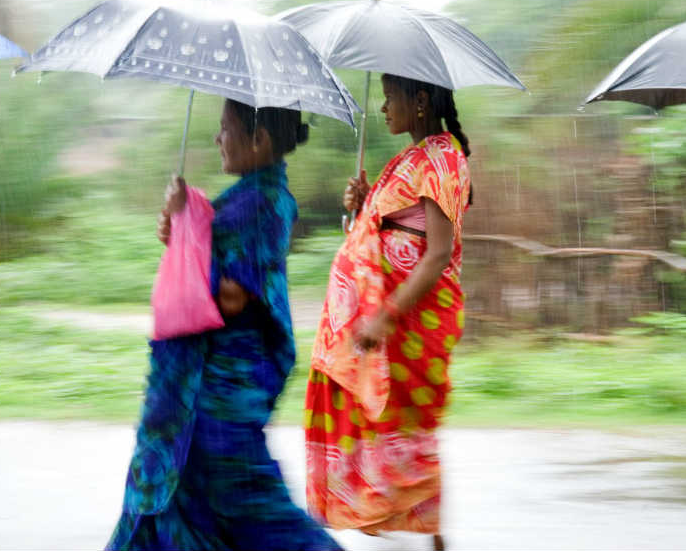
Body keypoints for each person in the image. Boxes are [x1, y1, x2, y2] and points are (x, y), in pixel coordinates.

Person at [106, 99, 341, 551]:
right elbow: (205, 257)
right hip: (203, 388)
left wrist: (187, 236)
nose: (218, 139)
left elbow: (231, 297)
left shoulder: (267, 203)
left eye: (226, 129)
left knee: (255, 512)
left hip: (226, 393)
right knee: (184, 499)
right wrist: (181, 231)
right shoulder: (247, 197)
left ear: (260, 139)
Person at [305, 74, 472, 551]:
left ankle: (430, 541)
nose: (382, 107)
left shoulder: (442, 157)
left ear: (420, 101)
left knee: (407, 435)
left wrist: (386, 316)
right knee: (393, 433)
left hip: (409, 325)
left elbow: (437, 252)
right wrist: (360, 210)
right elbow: (379, 237)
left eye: (390, 96)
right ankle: (423, 538)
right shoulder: (411, 159)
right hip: (390, 324)